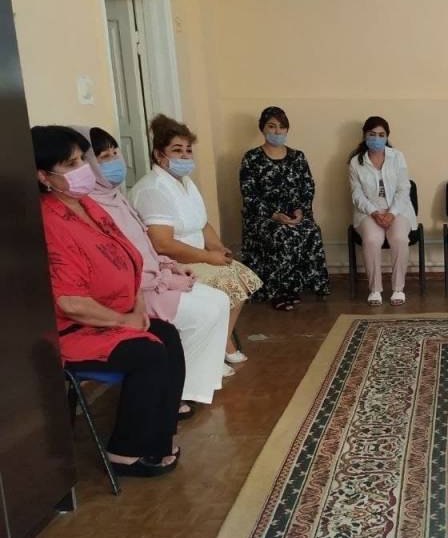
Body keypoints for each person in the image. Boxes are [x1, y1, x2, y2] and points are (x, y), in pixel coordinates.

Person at [32, 125, 182, 477]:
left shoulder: (88, 205)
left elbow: (129, 257)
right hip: (75, 328)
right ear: (43, 176)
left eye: (81, 160)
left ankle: (159, 437)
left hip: (116, 313)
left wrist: (137, 307)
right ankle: (125, 452)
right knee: (149, 354)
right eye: (71, 165)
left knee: (168, 335)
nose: (83, 169)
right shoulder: (49, 220)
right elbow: (69, 302)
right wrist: (124, 320)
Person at [86, 126, 233, 409]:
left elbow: (143, 244)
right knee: (202, 313)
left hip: (156, 276)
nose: (115, 161)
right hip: (136, 291)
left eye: (116, 153)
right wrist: (163, 277)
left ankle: (194, 387)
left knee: (219, 300)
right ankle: (176, 392)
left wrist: (169, 267)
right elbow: (123, 261)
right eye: (104, 157)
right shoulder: (92, 207)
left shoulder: (116, 198)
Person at [129, 114, 261, 365]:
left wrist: (218, 248)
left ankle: (219, 343)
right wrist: (208, 257)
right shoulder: (152, 189)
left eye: (188, 150)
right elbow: (162, 243)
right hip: (173, 263)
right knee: (227, 287)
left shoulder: (186, 183)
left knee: (244, 280)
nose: (185, 156)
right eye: (177, 150)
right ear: (159, 155)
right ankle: (214, 352)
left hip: (200, 256)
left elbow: (202, 223)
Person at [239, 106, 329, 310]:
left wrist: (300, 211)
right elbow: (249, 195)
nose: (277, 131)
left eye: (282, 127)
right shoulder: (252, 158)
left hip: (294, 214)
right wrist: (274, 215)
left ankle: (298, 287)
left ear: (287, 129)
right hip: (263, 217)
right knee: (281, 234)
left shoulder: (298, 157)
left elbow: (308, 187)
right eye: (272, 126)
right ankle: (278, 291)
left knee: (311, 230)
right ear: (262, 128)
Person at [348, 116, 417, 306]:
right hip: (368, 211)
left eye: (381, 135)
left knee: (400, 239)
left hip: (398, 210)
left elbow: (404, 188)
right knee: (371, 240)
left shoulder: (397, 156)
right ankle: (375, 290)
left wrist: (392, 213)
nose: (376, 139)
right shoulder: (355, 162)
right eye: (372, 134)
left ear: (387, 136)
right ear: (365, 135)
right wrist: (374, 212)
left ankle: (398, 289)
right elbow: (356, 194)